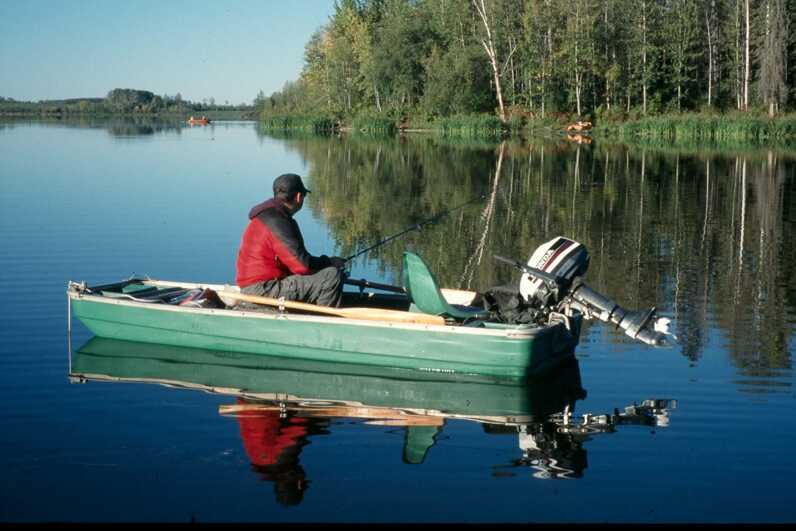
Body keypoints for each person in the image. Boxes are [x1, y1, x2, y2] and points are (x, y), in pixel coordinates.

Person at [236, 173, 346, 307]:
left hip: (254, 287)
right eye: (304, 196)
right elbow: (302, 266)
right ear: (299, 197)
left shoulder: (267, 216)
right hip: (262, 290)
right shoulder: (278, 222)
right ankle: (320, 323)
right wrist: (329, 262)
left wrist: (326, 264)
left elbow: (294, 263)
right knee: (332, 277)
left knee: (328, 274)